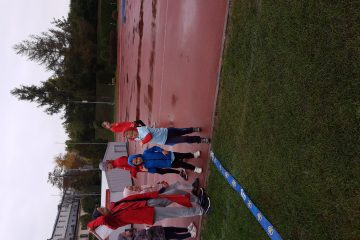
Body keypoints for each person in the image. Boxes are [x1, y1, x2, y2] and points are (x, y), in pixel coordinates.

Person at [87, 190, 210, 231]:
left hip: (149, 202)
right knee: (177, 212)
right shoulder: (113, 222)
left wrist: (153, 194)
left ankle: (198, 200)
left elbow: (133, 198)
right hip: (149, 214)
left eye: (101, 207)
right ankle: (201, 210)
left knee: (174, 192)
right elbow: (102, 220)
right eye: (102, 209)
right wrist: (91, 225)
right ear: (101, 215)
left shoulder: (115, 206)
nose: (104, 207)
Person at [127, 147, 203, 176]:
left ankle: (193, 155)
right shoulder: (146, 166)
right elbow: (155, 170)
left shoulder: (146, 152)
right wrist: (148, 170)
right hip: (169, 164)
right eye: (136, 162)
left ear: (136, 156)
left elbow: (154, 148)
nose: (138, 160)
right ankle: (195, 169)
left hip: (169, 155)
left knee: (183, 155)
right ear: (137, 164)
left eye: (136, 158)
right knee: (183, 165)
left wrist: (161, 150)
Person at [123, 126, 210, 146]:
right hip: (165, 140)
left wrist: (143, 142)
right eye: (129, 136)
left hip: (166, 131)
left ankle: (192, 129)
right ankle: (201, 140)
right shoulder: (137, 138)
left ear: (131, 130)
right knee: (184, 139)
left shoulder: (140, 129)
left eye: (129, 133)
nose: (130, 135)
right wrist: (141, 141)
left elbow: (149, 136)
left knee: (182, 131)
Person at [123, 179, 200, 198]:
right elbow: (154, 194)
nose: (134, 187)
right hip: (162, 193)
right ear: (132, 193)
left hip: (161, 189)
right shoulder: (142, 194)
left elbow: (152, 187)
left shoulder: (141, 188)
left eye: (132, 186)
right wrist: (163, 188)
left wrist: (159, 183)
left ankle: (193, 189)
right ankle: (193, 193)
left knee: (177, 186)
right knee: (177, 191)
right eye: (132, 189)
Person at [118, 224, 197, 240]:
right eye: (125, 233)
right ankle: (191, 234)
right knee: (175, 235)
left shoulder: (135, 233)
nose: (127, 231)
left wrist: (148, 229)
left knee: (173, 228)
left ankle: (187, 229)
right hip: (160, 236)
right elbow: (148, 238)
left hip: (159, 230)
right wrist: (147, 230)